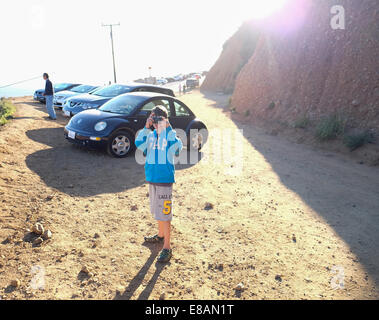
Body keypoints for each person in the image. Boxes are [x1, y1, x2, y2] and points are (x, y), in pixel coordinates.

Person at [135, 105, 183, 262]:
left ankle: (167, 247)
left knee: (165, 212)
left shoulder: (169, 135)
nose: (155, 122)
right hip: (152, 177)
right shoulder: (150, 135)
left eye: (157, 118)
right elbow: (138, 143)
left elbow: (177, 149)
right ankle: (160, 235)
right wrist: (145, 126)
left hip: (164, 179)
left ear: (164, 120)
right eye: (152, 118)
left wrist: (168, 129)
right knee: (157, 209)